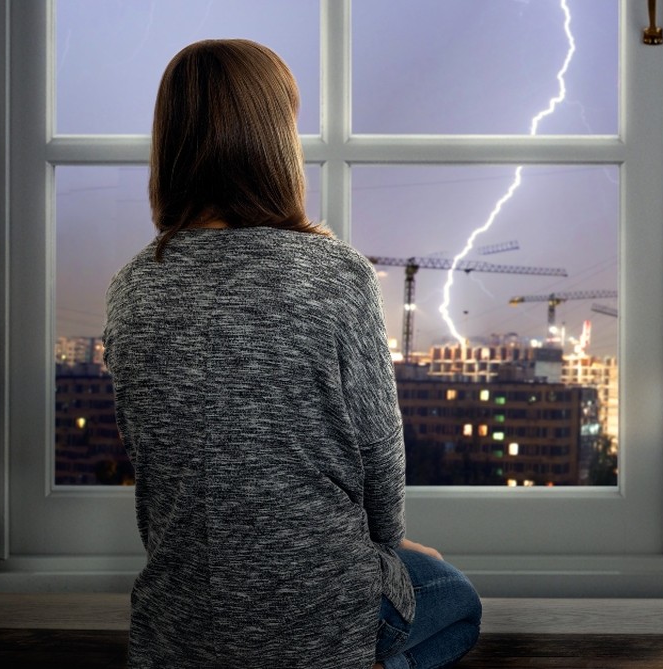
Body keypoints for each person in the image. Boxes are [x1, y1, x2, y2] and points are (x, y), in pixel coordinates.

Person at [103, 39, 482, 669]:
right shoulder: (335, 273)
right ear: (276, 141)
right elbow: (380, 457)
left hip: (178, 626)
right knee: (456, 601)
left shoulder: (131, 286)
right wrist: (390, 554)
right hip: (319, 619)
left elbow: (152, 457)